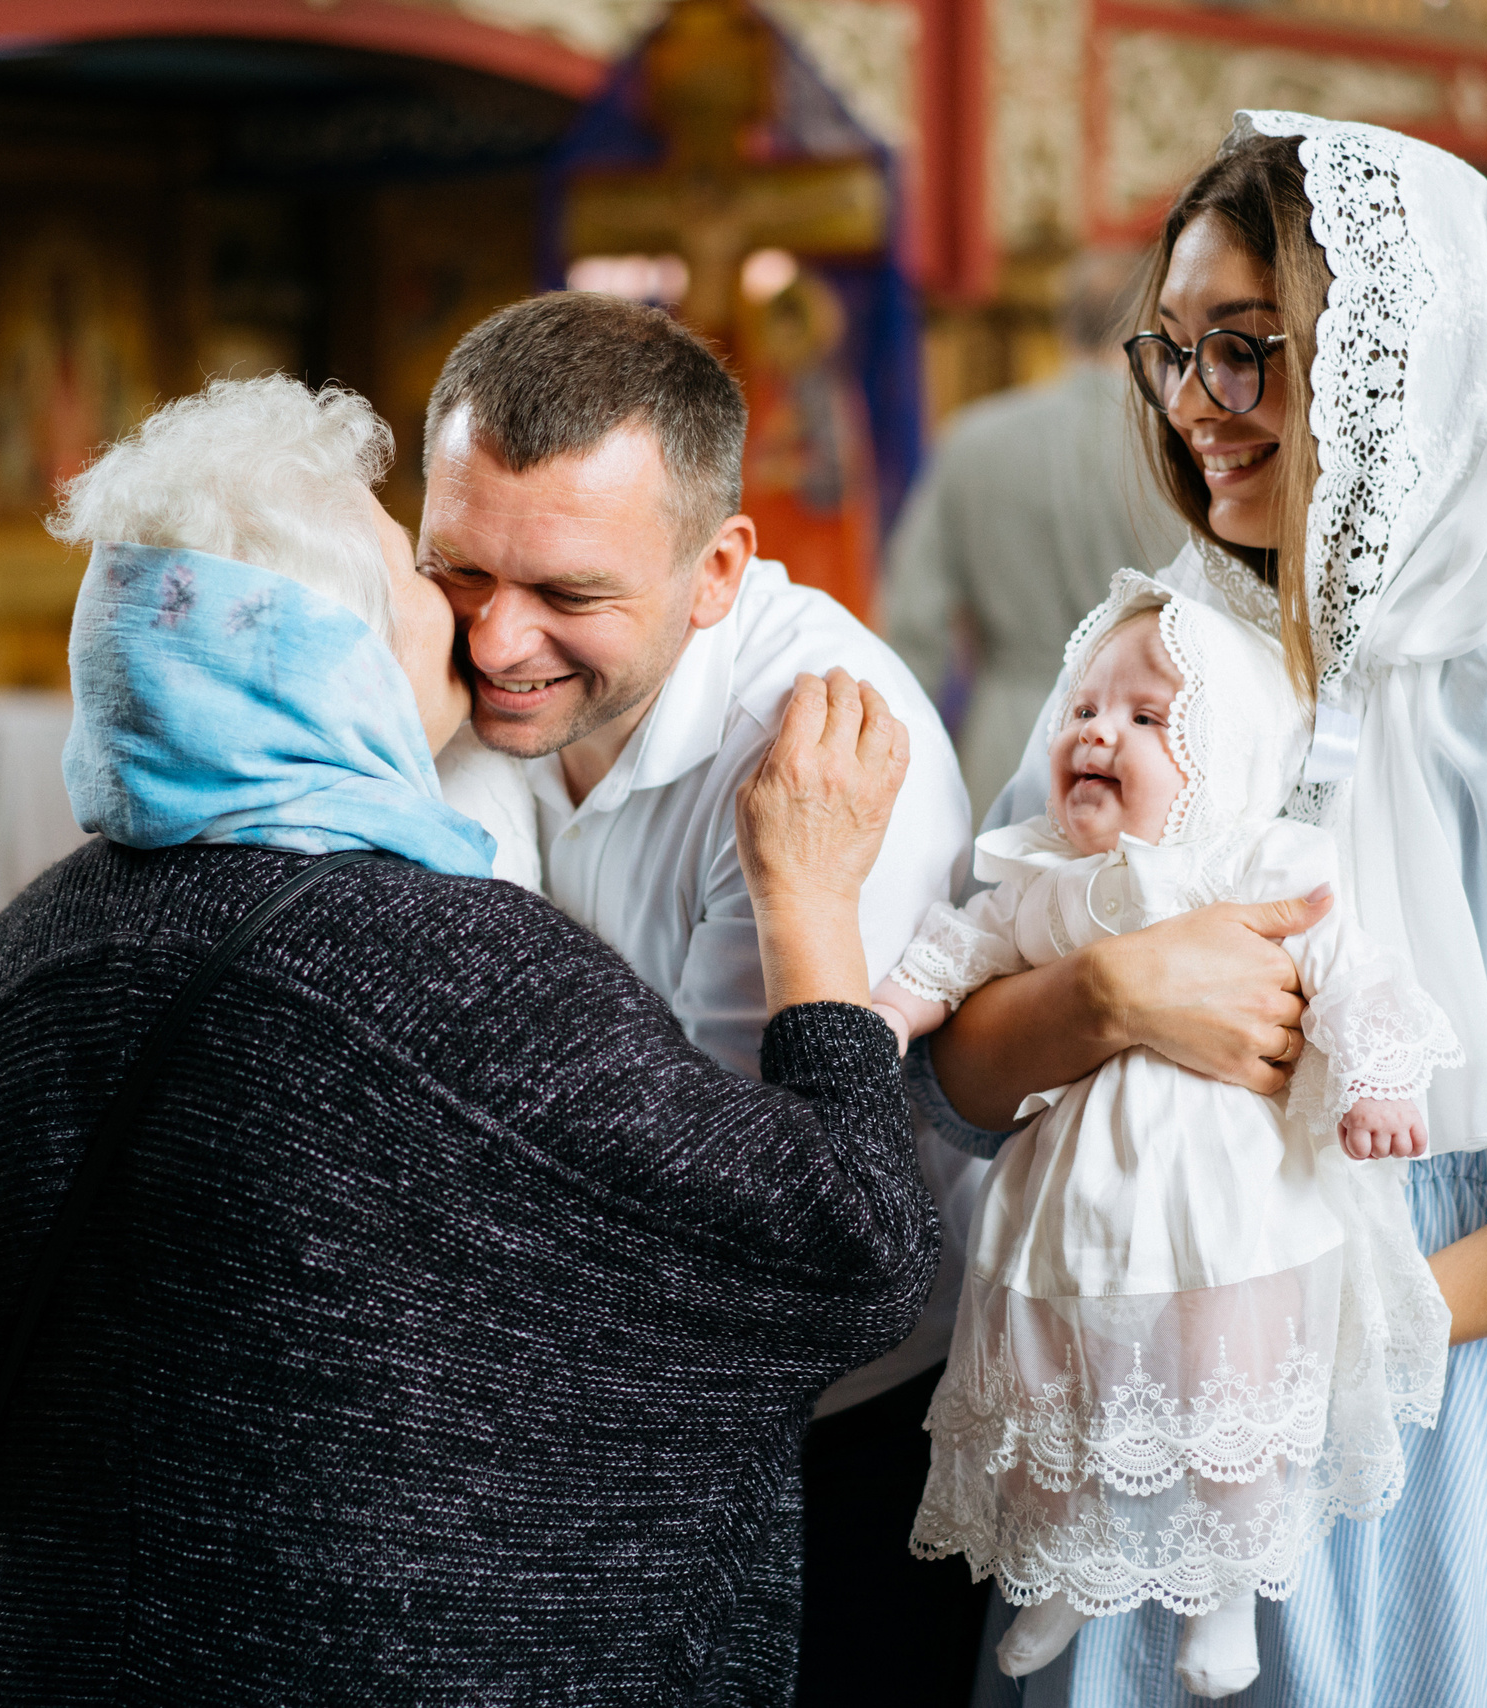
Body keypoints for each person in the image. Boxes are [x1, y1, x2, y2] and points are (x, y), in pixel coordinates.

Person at [0, 375, 943, 1706]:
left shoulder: (20, 955)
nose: (466, 625)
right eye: (420, 573)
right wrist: (810, 902)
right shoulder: (467, 973)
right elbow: (852, 1247)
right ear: (324, 648)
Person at [923, 114, 1487, 1708]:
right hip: (1126, 1464)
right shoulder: (1148, 650)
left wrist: (1306, 1336)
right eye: (1173, 352)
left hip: (1392, 1461)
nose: (1198, 406)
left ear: (1398, 366)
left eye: (1250, 352)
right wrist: (1109, 996)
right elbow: (963, 1079)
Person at [411, 291, 997, 1707]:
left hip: (829, 1432)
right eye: (460, 575)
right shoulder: (465, 692)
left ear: (719, 567)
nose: (495, 645)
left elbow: (732, 1229)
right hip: (585, 1409)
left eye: (566, 596)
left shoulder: (824, 746)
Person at [873, 578, 1455, 1698]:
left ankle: (1224, 1589)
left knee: (1223, 1381)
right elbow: (958, 947)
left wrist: (1378, 1073)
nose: (1099, 731)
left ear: (1224, 755)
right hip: (1068, 1203)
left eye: (1148, 720)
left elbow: (1348, 966)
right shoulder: (1040, 870)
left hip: (1219, 1201)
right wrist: (892, 1006)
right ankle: (1051, 1567)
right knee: (1055, 1381)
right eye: (1084, 708)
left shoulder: (1253, 861)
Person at [881, 248, 1191, 818]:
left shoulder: (972, 442)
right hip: (1154, 750)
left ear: (1064, 325)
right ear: (1153, 326)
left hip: (1007, 746)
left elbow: (913, 628)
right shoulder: (1188, 447)